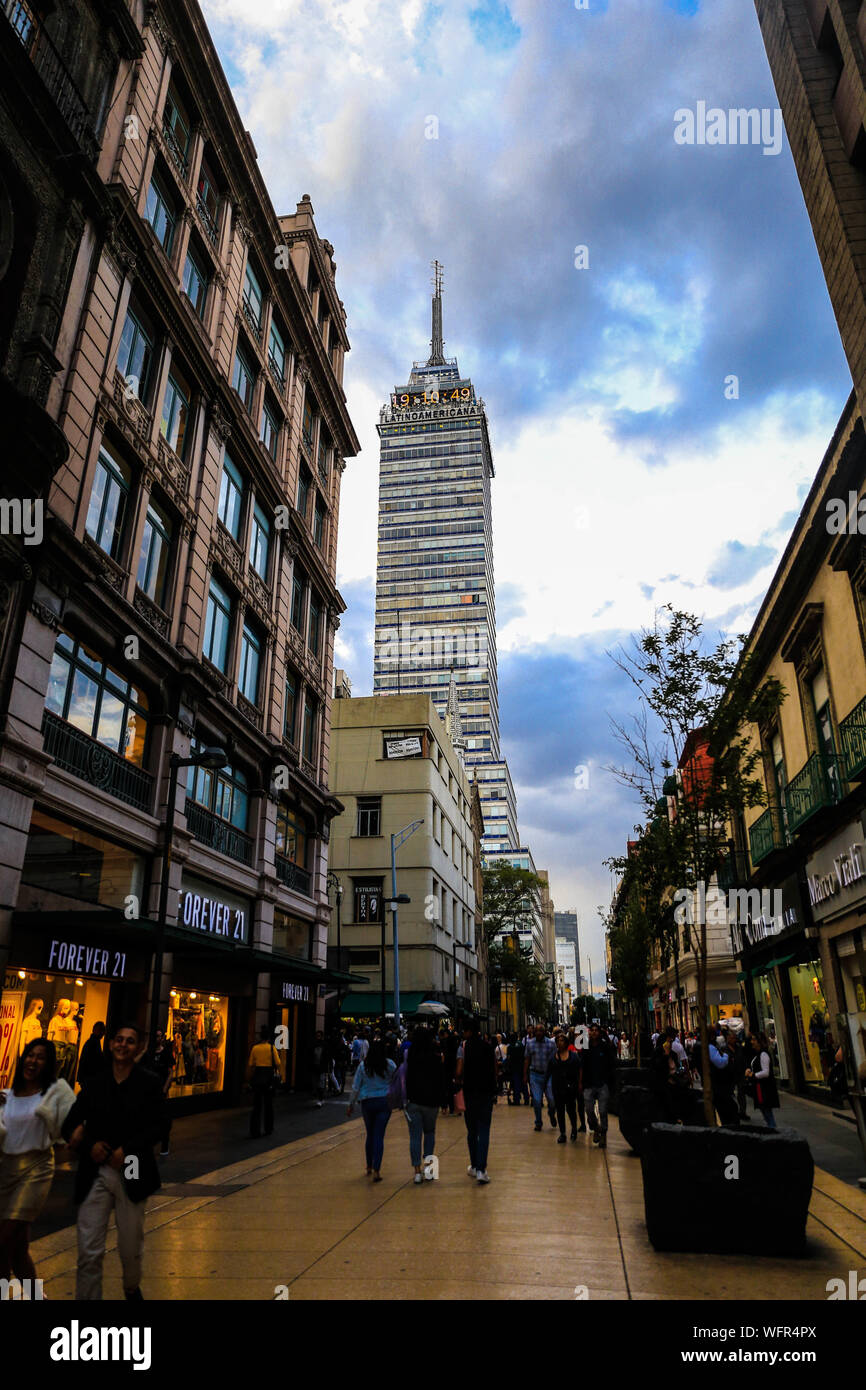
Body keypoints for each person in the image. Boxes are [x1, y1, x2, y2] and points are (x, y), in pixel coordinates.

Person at [62, 1022, 165, 1300]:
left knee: (130, 1246)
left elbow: (159, 1126)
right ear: (110, 1044)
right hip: (95, 1171)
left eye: (130, 1041)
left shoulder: (149, 1083)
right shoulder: (96, 1083)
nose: (123, 1045)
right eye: (118, 1040)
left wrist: (128, 1150)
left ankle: (131, 1287)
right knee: (89, 1249)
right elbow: (70, 1123)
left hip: (131, 1169)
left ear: (139, 1047)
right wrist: (88, 1145)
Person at [0, 1039, 75, 1294]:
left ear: (49, 1063)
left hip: (36, 1170)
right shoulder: (6, 1096)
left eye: (40, 1057)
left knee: (3, 1241)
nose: (33, 1061)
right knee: (17, 1248)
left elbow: (72, 1126)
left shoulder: (53, 1094)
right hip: (5, 1171)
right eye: (30, 1055)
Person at [347, 1039, 396, 1181]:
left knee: (370, 1134)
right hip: (384, 1102)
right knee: (379, 1136)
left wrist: (351, 1105)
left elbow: (356, 1086)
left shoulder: (363, 1066)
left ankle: (368, 1166)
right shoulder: (390, 1064)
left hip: (367, 1102)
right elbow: (396, 1080)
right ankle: (377, 1170)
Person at [456, 1019, 497, 1183]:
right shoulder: (488, 1047)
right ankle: (482, 1169)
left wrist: (457, 1079)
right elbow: (495, 1068)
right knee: (484, 1130)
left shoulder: (463, 1048)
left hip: (469, 1093)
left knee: (471, 1131)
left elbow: (459, 1071)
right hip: (486, 1093)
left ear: (468, 1032)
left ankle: (473, 1166)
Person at [404, 1026, 444, 1182]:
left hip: (413, 1100)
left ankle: (416, 1172)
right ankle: (429, 1168)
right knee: (429, 1133)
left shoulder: (410, 1057)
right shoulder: (435, 1057)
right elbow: (441, 1080)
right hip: (431, 1102)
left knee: (414, 1137)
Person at [579, 1023, 617, 1148]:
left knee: (603, 1110)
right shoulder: (585, 1047)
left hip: (602, 1084)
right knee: (589, 1110)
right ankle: (596, 1128)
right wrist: (580, 1082)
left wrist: (611, 1082)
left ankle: (603, 1134)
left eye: (596, 1030)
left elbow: (612, 1065)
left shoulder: (605, 1047)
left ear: (600, 1033)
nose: (594, 1032)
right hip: (588, 1084)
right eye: (592, 1030)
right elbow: (581, 1066)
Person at [245, 1026, 283, 1139]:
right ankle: (268, 1128)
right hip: (268, 1078)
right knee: (268, 1104)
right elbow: (278, 1062)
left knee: (256, 1105)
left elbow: (251, 1064)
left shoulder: (255, 1048)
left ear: (260, 1037)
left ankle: (254, 1130)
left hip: (257, 1077)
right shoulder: (272, 1048)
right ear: (269, 1037)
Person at [142, 1029, 174, 1156]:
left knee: (162, 1117)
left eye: (159, 1036)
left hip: (161, 1090)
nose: (157, 1038)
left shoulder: (166, 1053)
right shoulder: (148, 1053)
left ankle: (164, 1144)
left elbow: (171, 1072)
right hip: (149, 1091)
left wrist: (164, 1089)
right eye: (155, 1036)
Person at [546, 1031, 581, 1141]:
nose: (560, 1043)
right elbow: (548, 1073)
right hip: (557, 1088)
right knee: (560, 1111)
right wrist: (544, 1086)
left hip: (571, 1088)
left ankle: (574, 1129)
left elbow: (579, 1070)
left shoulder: (573, 1056)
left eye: (562, 1041)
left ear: (566, 1043)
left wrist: (579, 1084)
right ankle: (563, 1133)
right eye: (558, 1041)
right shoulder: (553, 1058)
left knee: (571, 1110)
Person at [524, 1024, 556, 1131]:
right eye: (536, 1031)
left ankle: (551, 1114)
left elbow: (554, 1061)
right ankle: (538, 1122)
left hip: (548, 1075)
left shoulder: (551, 1044)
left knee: (551, 1100)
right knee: (537, 1100)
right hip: (535, 1075)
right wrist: (525, 1075)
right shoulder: (530, 1044)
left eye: (540, 1031)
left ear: (544, 1032)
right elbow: (527, 1060)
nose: (538, 1033)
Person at [745, 1032, 780, 1130]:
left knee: (767, 1112)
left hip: (765, 1088)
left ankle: (773, 1130)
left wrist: (753, 1075)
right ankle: (771, 1129)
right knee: (765, 1112)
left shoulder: (763, 1054)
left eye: (754, 1040)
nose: (752, 1042)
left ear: (759, 1042)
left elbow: (766, 1072)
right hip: (760, 1087)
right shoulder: (758, 1054)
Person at [708, 1032, 739, 1127]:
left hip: (727, 1082)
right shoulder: (717, 1049)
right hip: (721, 1085)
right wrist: (726, 1055)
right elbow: (720, 1063)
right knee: (729, 1107)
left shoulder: (737, 1048)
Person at [508, 1033, 528, 1106]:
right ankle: (526, 1099)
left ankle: (516, 1100)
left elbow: (509, 1058)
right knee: (523, 1083)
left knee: (516, 1084)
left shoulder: (510, 1047)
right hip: (522, 1066)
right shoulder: (521, 1045)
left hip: (514, 1067)